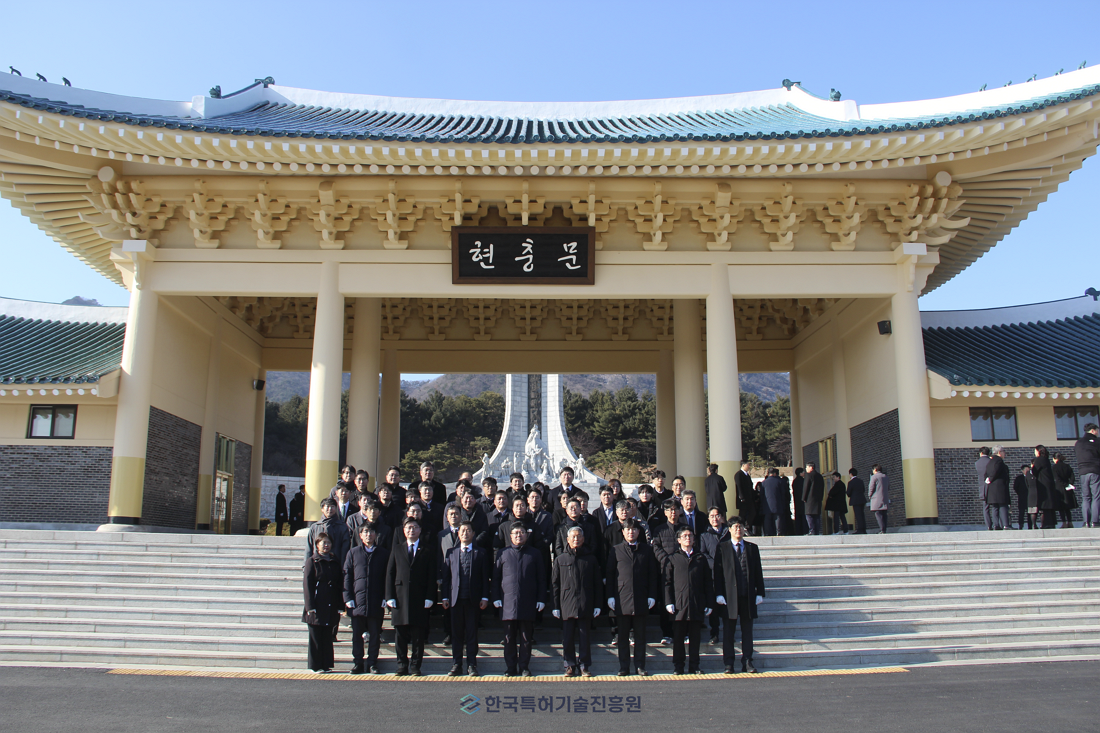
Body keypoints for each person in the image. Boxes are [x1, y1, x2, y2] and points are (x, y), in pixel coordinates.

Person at [606, 518, 659, 676]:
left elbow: (653, 575)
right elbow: (610, 575)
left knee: (640, 636)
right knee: (622, 637)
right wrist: (610, 596)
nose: (631, 532)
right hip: (621, 598)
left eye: (634, 529)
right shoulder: (615, 550)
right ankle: (624, 667)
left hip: (641, 598)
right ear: (623, 532)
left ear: (638, 532)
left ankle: (640, 666)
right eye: (628, 529)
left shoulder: (646, 550)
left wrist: (652, 595)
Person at [492, 523, 547, 677]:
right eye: (515, 533)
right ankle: (510, 667)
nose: (518, 535)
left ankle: (524, 667)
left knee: (526, 638)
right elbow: (496, 578)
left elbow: (541, 579)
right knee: (509, 638)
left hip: (528, 601)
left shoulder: (535, 554)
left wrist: (541, 599)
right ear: (510, 536)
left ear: (526, 535)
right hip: (508, 602)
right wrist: (496, 597)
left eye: (522, 532)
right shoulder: (503, 553)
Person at [385, 518, 436, 676]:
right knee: (400, 635)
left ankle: (415, 666)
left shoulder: (427, 549)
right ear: (404, 530)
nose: (411, 530)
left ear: (420, 530)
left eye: (415, 527)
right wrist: (389, 596)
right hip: (400, 598)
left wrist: (430, 596)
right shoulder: (397, 549)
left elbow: (431, 575)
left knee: (418, 636)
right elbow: (390, 573)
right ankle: (401, 665)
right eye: (408, 527)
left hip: (419, 597)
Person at [714, 520, 765, 674]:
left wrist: (760, 592)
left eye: (741, 527)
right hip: (729, 597)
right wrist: (718, 593)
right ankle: (729, 663)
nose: (739, 529)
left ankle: (747, 661)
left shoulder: (752, 548)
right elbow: (717, 573)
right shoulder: (722, 547)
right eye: (735, 527)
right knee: (728, 632)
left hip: (747, 596)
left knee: (747, 632)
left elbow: (758, 572)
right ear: (729, 529)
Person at [440, 522, 490, 677]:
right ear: (458, 533)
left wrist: (485, 597)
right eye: (462, 530)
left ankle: (472, 664)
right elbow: (446, 578)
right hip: (455, 600)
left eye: (468, 530)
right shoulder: (451, 553)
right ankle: (456, 664)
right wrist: (445, 596)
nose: (465, 533)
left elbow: (484, 577)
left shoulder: (481, 553)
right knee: (456, 634)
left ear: (473, 533)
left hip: (473, 600)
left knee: (472, 634)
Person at [552, 526, 602, 677]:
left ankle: (584, 665)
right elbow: (555, 584)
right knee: (567, 638)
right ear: (567, 539)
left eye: (579, 536)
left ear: (583, 539)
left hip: (585, 602)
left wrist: (598, 605)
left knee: (584, 637)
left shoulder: (591, 559)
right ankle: (569, 665)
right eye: (573, 537)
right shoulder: (560, 559)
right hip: (566, 603)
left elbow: (597, 583)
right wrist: (555, 606)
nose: (576, 539)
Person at [664, 526, 713, 675]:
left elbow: (707, 582)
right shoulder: (672, 558)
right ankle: (678, 666)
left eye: (690, 536)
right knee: (678, 638)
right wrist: (669, 602)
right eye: (684, 536)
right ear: (679, 540)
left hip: (696, 603)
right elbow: (667, 582)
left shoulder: (700, 558)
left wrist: (709, 603)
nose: (688, 538)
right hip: (679, 604)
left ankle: (694, 666)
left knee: (695, 637)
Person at [342, 524, 389, 674]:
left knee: (375, 635)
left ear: (376, 534)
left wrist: (386, 596)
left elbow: (387, 576)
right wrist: (347, 597)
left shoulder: (383, 553)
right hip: (357, 601)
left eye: (371, 531)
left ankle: (372, 663)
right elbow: (347, 576)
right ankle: (358, 663)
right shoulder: (353, 553)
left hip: (376, 600)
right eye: (365, 532)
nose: (369, 535)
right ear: (360, 535)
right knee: (357, 635)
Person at [302, 532, 342, 673]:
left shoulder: (334, 561)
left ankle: (326, 664)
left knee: (327, 635)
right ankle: (315, 665)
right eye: (323, 543)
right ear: (317, 545)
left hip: (330, 603)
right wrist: (310, 606)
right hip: (317, 604)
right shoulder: (312, 561)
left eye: (328, 543)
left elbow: (339, 583)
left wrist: (340, 605)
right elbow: (307, 585)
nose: (326, 545)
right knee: (316, 636)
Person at [698, 507, 729, 645]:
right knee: (714, 606)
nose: (715, 518)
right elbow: (703, 553)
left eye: (717, 515)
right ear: (708, 519)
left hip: (728, 574)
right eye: (712, 516)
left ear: (722, 517)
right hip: (712, 575)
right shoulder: (704, 535)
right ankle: (714, 633)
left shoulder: (729, 533)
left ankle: (729, 633)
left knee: (728, 606)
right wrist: (715, 564)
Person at [305, 498, 351, 565]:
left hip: (336, 563)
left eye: (332, 506)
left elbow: (345, 548)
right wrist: (306, 565)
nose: (330, 509)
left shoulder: (342, 527)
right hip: (317, 563)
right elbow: (309, 547)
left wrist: (343, 565)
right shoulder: (315, 527)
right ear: (322, 509)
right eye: (327, 506)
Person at [1076, 423, 1100, 528]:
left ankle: (1086, 522)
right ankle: (1095, 521)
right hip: (1095, 471)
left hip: (1083, 472)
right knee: (1096, 496)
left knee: (1086, 497)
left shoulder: (1078, 443)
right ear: (1093, 430)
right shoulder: (1097, 442)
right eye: (1097, 430)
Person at [983, 445, 1012, 530]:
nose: (1004, 453)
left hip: (991, 488)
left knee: (995, 507)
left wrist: (988, 479)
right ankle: (1006, 524)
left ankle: (996, 525)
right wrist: (991, 478)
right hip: (1000, 488)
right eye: (1003, 451)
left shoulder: (990, 462)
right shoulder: (999, 461)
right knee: (1003, 505)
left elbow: (986, 474)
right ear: (999, 452)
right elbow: (996, 470)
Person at [1033, 446, 1057, 529]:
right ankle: (1052, 523)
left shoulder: (1039, 460)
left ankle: (1047, 523)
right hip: (1049, 484)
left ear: (1038, 451)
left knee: (1045, 504)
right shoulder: (1046, 459)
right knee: (1050, 504)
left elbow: (1034, 471)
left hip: (1043, 484)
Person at [1053, 453, 1076, 529]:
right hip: (1068, 489)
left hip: (1059, 488)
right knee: (1068, 507)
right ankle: (1070, 522)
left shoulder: (1054, 467)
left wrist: (1064, 484)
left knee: (1061, 507)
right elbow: (1072, 476)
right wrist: (1069, 484)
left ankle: (1064, 523)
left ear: (1055, 458)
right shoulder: (1067, 466)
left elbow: (1057, 479)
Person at [733, 462, 757, 531]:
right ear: (743, 465)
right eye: (748, 465)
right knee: (742, 514)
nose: (749, 466)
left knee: (753, 512)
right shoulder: (738, 474)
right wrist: (741, 497)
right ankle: (740, 527)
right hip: (743, 499)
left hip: (749, 499)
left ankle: (747, 526)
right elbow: (739, 486)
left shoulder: (747, 475)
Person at [802, 463, 825, 535]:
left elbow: (806, 487)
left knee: (809, 515)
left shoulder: (808, 475)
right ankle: (817, 531)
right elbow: (822, 488)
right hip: (818, 499)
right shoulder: (820, 476)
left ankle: (812, 530)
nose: (806, 469)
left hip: (809, 499)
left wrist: (804, 498)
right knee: (816, 516)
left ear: (811, 467)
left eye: (807, 467)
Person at [761, 468, 785, 536]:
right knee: (777, 518)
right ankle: (778, 532)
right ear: (774, 474)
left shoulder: (764, 482)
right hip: (777, 503)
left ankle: (767, 533)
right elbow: (783, 493)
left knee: (767, 519)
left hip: (767, 504)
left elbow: (762, 495)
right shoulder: (779, 481)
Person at [975, 447, 993, 531]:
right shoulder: (991, 462)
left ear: (981, 453)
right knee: (995, 507)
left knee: (986, 508)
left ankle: (989, 525)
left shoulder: (977, 463)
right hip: (992, 486)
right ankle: (997, 524)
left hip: (982, 487)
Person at [1014, 464, 1036, 530]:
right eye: (1026, 470)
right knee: (1021, 512)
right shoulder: (1019, 478)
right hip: (1022, 497)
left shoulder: (1032, 477)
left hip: (1030, 497)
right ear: (1022, 471)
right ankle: (1021, 525)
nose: (1027, 471)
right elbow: (1015, 487)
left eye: (1028, 470)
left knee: (1030, 512)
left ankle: (1030, 525)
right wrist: (1020, 493)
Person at [868, 464, 890, 533]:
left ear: (875, 469)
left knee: (878, 514)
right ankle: (884, 529)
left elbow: (871, 488)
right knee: (884, 514)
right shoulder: (885, 476)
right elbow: (888, 487)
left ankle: (882, 529)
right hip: (884, 498)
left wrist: (870, 496)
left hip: (876, 498)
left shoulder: (874, 477)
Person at [846, 469, 867, 534]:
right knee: (862, 514)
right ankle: (863, 529)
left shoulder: (851, 482)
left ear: (851, 474)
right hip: (862, 499)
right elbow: (863, 490)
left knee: (858, 515)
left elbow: (848, 493)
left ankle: (860, 529)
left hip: (855, 500)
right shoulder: (861, 481)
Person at [791, 468, 806, 535]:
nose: (804, 473)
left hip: (796, 501)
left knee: (798, 516)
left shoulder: (794, 481)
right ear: (800, 473)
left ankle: (798, 531)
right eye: (803, 472)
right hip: (803, 501)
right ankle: (804, 530)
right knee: (803, 517)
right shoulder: (803, 481)